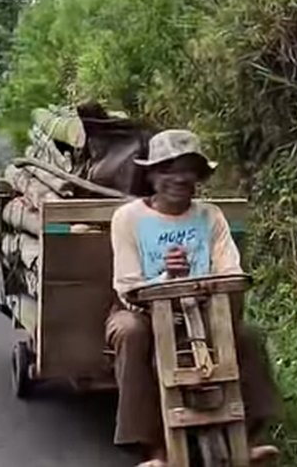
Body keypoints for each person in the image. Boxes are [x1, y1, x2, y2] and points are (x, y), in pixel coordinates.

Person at [106, 129, 281, 467]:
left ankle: (248, 439)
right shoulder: (127, 218)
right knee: (130, 334)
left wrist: (202, 286)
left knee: (249, 336)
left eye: (189, 169)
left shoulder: (210, 216)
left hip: (203, 309)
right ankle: (153, 450)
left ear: (199, 176)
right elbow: (126, 283)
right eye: (169, 168)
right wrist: (165, 278)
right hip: (140, 310)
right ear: (153, 175)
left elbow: (229, 269)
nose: (180, 178)